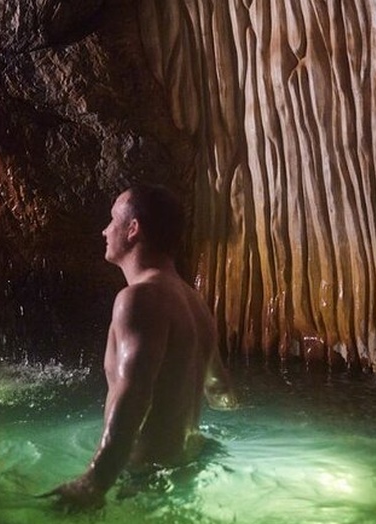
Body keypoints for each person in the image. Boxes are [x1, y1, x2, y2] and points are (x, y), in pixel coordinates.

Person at [45, 183, 237, 510]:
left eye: (112, 220)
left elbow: (135, 393)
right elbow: (220, 389)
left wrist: (94, 481)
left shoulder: (139, 298)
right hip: (185, 468)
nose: (104, 230)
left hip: (144, 479)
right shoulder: (195, 303)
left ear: (133, 229)